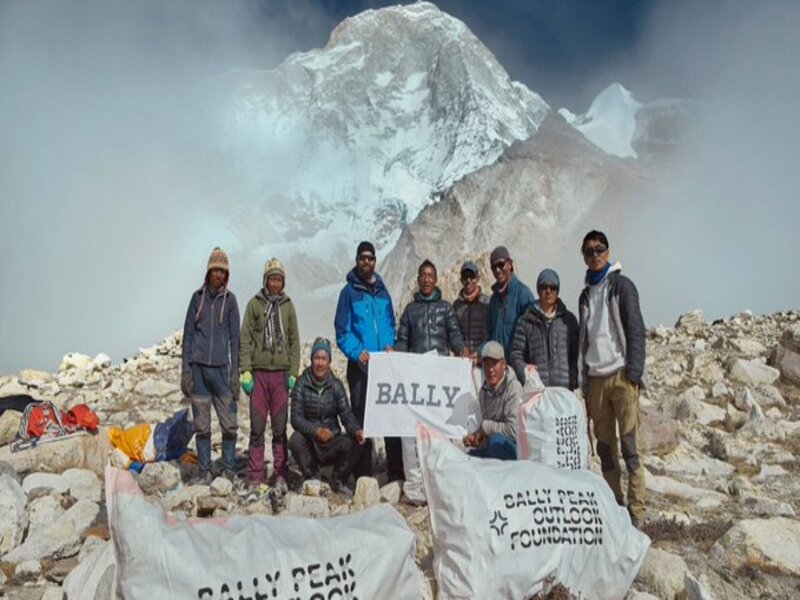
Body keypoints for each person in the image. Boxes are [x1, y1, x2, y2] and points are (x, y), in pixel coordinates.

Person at [578, 230, 647, 527]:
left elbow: (635, 329)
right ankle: (614, 504)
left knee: (630, 446)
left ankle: (637, 511)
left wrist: (634, 373)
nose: (594, 256)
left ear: (608, 252)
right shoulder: (584, 295)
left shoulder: (621, 286)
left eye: (599, 250)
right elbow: (584, 340)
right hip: (595, 381)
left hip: (620, 377)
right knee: (605, 448)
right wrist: (583, 381)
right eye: (589, 252)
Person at [334, 241, 400, 481]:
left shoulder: (383, 292)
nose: (367, 262)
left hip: (385, 366)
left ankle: (396, 473)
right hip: (360, 367)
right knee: (363, 419)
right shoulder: (348, 293)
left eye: (370, 258)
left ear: (375, 261)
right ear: (356, 260)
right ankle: (363, 474)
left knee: (391, 417)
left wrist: (391, 343)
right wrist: (356, 351)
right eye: (362, 257)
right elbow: (342, 330)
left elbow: (391, 323)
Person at [240, 258, 300, 495]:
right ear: (265, 280)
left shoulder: (288, 306)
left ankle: (280, 474)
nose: (275, 283)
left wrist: (294, 372)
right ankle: (255, 476)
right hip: (259, 375)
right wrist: (245, 369)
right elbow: (245, 338)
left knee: (279, 428)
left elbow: (294, 340)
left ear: (283, 282)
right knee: (256, 427)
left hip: (281, 376)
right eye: (271, 279)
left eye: (279, 279)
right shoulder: (254, 305)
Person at [180, 247, 240, 484]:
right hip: (198, 371)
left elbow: (235, 339)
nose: (218, 275)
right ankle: (204, 470)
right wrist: (186, 370)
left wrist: (235, 371)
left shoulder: (231, 301)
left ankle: (228, 468)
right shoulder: (197, 299)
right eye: (215, 270)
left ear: (226, 275)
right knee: (202, 427)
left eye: (222, 271)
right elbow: (187, 336)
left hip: (221, 370)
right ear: (208, 272)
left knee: (230, 425)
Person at [289, 338, 365, 496]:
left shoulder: (336, 385)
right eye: (317, 358)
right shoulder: (301, 384)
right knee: (295, 439)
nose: (320, 363)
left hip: (332, 441)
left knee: (357, 441)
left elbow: (346, 413)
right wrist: (316, 431)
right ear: (311, 360)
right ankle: (311, 476)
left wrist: (356, 429)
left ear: (329, 362)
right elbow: (295, 418)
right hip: (312, 443)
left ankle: (337, 479)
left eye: (324, 359)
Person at [510, 268, 579, 389]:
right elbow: (516, 354)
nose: (548, 291)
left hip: (564, 390)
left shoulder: (569, 320)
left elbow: (577, 354)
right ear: (538, 289)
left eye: (553, 287)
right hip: (537, 390)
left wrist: (573, 379)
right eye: (544, 287)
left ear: (557, 291)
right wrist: (525, 372)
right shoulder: (526, 321)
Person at [463, 341, 521, 460]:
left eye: (494, 364)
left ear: (504, 364)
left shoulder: (514, 388)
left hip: (516, 450)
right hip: (493, 448)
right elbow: (488, 431)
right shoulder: (484, 392)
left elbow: (514, 432)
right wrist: (477, 439)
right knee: (465, 458)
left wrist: (484, 427)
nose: (490, 369)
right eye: (486, 365)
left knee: (496, 441)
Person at [395, 260, 467, 357]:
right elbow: (402, 339)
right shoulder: (410, 310)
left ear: (435, 280)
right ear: (418, 279)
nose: (426, 280)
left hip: (440, 365)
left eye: (430, 276)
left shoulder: (446, 308)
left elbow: (454, 334)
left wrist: (461, 348)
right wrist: (396, 350)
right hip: (417, 366)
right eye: (423, 275)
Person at [488, 246, 535, 360]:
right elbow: (489, 333)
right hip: (497, 366)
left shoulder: (523, 294)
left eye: (501, 264)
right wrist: (479, 352)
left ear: (510, 264)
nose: (497, 270)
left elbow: (532, 334)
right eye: (494, 267)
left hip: (518, 366)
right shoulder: (494, 299)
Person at [452, 260, 491, 362]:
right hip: (462, 360)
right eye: (465, 276)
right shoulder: (456, 306)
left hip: (483, 359)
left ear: (477, 279)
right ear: (461, 280)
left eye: (472, 276)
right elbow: (454, 332)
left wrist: (479, 351)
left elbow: (490, 333)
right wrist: (460, 348)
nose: (468, 280)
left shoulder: (487, 303)